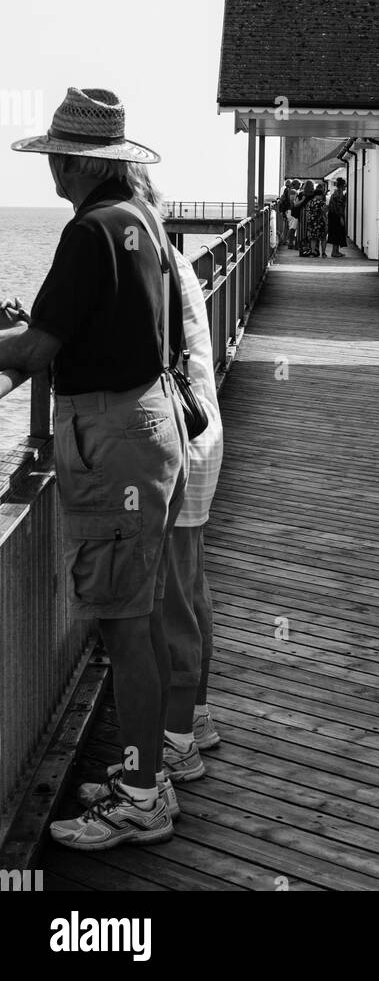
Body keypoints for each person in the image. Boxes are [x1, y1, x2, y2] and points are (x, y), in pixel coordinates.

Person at [0, 87, 189, 851]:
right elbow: (98, 327)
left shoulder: (87, 234)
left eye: (53, 157)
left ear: (74, 161)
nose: (49, 169)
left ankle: (144, 798)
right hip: (152, 425)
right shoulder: (140, 218)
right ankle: (147, 769)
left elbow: (40, 349)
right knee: (136, 615)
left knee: (124, 624)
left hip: (114, 443)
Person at [75, 164, 223, 816]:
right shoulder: (170, 259)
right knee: (184, 591)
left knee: (170, 600)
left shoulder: (154, 262)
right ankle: (189, 727)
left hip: (179, 441)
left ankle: (177, 742)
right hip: (195, 433)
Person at [294, 179, 315, 256]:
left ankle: (302, 250)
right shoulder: (314, 195)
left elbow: (295, 204)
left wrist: (302, 200)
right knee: (311, 233)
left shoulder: (301, 194)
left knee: (302, 233)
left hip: (302, 215)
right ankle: (311, 250)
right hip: (312, 215)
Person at [327, 178, 347, 258]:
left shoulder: (336, 192)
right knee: (337, 233)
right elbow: (338, 207)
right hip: (336, 216)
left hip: (332, 215)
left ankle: (336, 251)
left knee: (336, 233)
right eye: (345, 185)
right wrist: (341, 217)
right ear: (342, 185)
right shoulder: (339, 193)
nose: (345, 186)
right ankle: (334, 252)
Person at [308, 181, 328, 258]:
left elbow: (308, 212)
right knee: (323, 238)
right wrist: (326, 223)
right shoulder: (322, 203)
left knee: (313, 238)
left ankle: (312, 252)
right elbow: (324, 213)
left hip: (312, 221)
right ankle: (323, 253)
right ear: (320, 195)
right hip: (321, 221)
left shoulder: (311, 202)